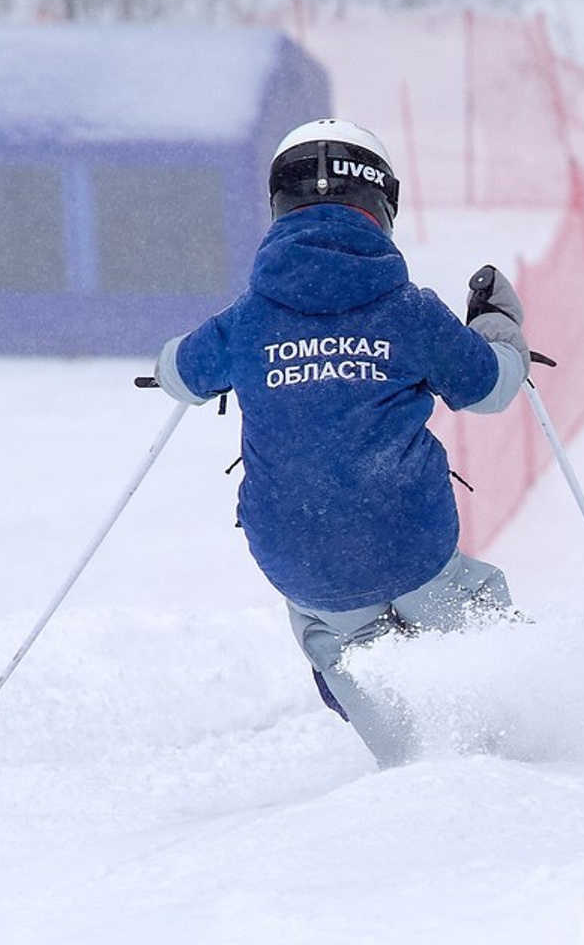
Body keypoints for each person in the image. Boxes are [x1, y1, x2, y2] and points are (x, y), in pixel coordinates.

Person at [153, 117, 530, 768]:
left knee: (344, 644)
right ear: (383, 203)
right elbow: (491, 389)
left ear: (279, 203)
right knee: (470, 627)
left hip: (302, 553)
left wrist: (216, 360)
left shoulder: (248, 320)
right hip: (408, 536)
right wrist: (499, 326)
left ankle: (405, 755)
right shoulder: (409, 311)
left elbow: (177, 374)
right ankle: (520, 734)